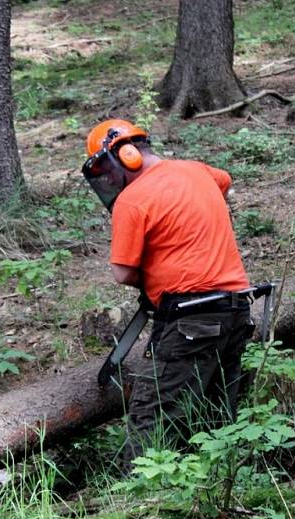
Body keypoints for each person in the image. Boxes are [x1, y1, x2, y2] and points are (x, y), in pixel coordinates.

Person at [82, 118, 254, 463]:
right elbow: (224, 180)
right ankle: (221, 485)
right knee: (216, 411)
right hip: (237, 310)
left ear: (127, 155)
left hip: (191, 320)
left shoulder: (133, 200)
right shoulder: (196, 171)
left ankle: (142, 501)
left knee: (153, 416)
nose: (109, 180)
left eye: (107, 170)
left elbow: (122, 271)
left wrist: (157, 271)